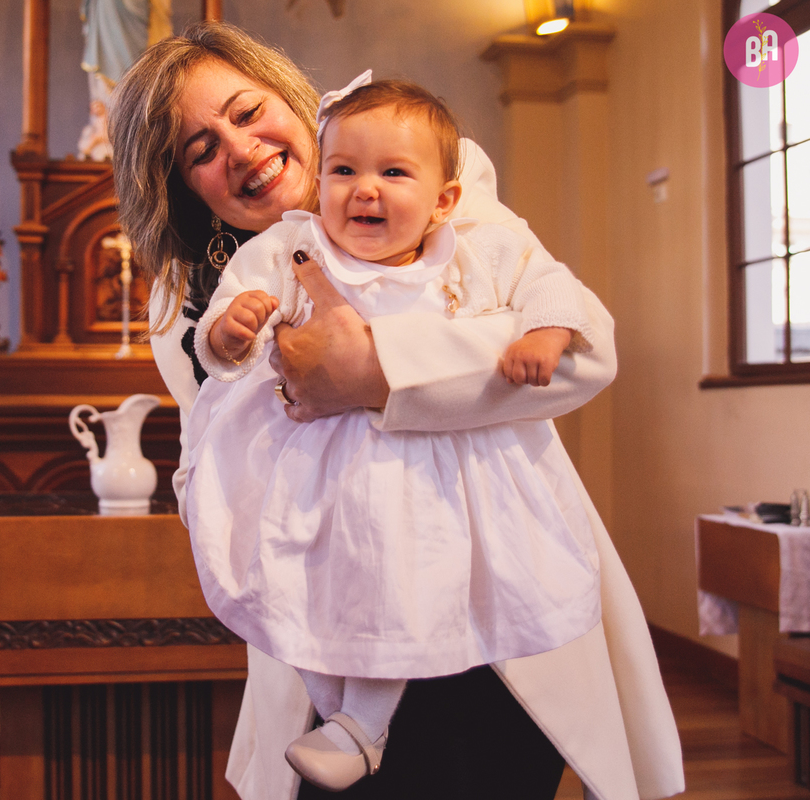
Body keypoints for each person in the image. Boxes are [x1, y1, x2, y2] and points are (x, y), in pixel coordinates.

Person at [108, 21, 684, 800]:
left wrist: (372, 374)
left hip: (489, 590)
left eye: (246, 113)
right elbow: (215, 459)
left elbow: (581, 351)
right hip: (333, 623)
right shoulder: (188, 304)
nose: (239, 150)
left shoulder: (423, 179)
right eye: (200, 149)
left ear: (293, 101)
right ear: (181, 184)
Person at [185, 73, 603, 793]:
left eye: (249, 113)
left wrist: (545, 328)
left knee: (412, 595)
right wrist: (232, 330)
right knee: (318, 596)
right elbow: (223, 348)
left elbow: (555, 288)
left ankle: (359, 725)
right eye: (344, 171)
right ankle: (344, 716)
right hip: (324, 499)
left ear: (442, 199)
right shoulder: (287, 252)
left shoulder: (469, 243)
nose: (364, 189)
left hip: (449, 503)